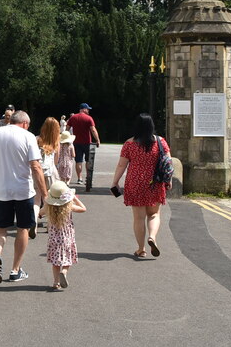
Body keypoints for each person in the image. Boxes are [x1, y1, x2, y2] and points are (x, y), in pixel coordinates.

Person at [0, 110, 48, 283]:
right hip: (22, 191)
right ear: (25, 123)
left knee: (0, 228)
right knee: (23, 228)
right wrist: (45, 194)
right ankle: (15, 270)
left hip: (1, 190)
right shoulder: (28, 137)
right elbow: (35, 166)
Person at [110, 113, 169, 258]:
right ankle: (153, 237)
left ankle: (141, 249)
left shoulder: (129, 144)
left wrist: (115, 182)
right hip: (155, 182)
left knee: (139, 218)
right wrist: (169, 180)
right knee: (154, 214)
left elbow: (121, 165)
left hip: (135, 183)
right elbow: (168, 163)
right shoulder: (161, 142)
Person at [43, 180, 86, 290]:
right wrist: (74, 198)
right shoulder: (69, 207)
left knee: (55, 261)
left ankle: (56, 282)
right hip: (67, 237)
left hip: (53, 238)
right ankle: (64, 271)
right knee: (68, 257)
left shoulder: (48, 207)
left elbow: (40, 213)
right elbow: (83, 208)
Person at [68, 103, 101, 185]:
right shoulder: (89, 118)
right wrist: (97, 140)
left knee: (78, 161)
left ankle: (79, 178)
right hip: (87, 143)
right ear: (84, 109)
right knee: (88, 161)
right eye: (88, 109)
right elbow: (93, 130)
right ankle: (88, 178)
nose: (88, 110)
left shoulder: (73, 117)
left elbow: (67, 129)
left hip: (76, 142)